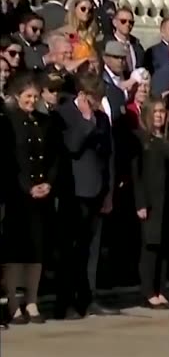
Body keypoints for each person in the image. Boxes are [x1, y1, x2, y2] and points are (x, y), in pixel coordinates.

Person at [54, 71, 118, 319]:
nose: (97, 105)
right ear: (82, 96)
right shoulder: (64, 114)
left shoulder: (101, 118)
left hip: (97, 189)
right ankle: (66, 301)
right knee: (70, 250)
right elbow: (71, 146)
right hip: (73, 190)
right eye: (93, 100)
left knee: (91, 250)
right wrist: (85, 120)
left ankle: (88, 298)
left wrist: (109, 192)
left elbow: (109, 156)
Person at [2, 74, 59, 326]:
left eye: (35, 97)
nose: (32, 101)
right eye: (27, 96)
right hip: (18, 195)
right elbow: (8, 161)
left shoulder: (45, 122)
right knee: (16, 252)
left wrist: (49, 183)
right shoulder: (9, 122)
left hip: (42, 194)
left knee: (36, 251)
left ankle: (32, 301)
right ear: (17, 97)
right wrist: (27, 188)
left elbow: (55, 157)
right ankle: (14, 303)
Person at [133, 96, 169, 310]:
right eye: (155, 112)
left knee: (165, 246)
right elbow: (136, 174)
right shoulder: (141, 139)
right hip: (150, 200)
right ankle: (148, 292)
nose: (159, 115)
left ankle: (161, 290)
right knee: (150, 247)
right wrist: (140, 203)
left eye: (162, 111)